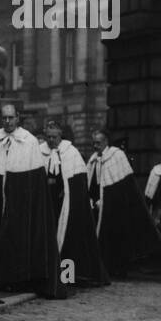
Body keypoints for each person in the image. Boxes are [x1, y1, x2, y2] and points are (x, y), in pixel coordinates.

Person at [0, 103, 64, 297]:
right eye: (4, 118)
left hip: (19, 199)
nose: (7, 121)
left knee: (16, 238)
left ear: (18, 118)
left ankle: (17, 280)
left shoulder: (29, 141)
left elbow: (35, 180)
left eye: (11, 118)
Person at [87, 129, 161, 278]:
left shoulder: (117, 156)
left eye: (98, 143)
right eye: (93, 143)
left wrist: (105, 199)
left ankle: (118, 269)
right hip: (97, 208)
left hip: (115, 208)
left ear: (106, 142)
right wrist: (93, 199)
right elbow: (92, 183)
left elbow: (123, 186)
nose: (95, 146)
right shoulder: (93, 160)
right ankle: (104, 267)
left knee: (117, 239)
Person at [40, 120, 108, 287]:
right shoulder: (39, 151)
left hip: (66, 206)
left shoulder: (71, 153)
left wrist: (67, 191)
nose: (51, 140)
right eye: (48, 137)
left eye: (54, 137)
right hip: (47, 205)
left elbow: (78, 181)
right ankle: (46, 276)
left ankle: (67, 277)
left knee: (68, 240)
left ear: (60, 135)